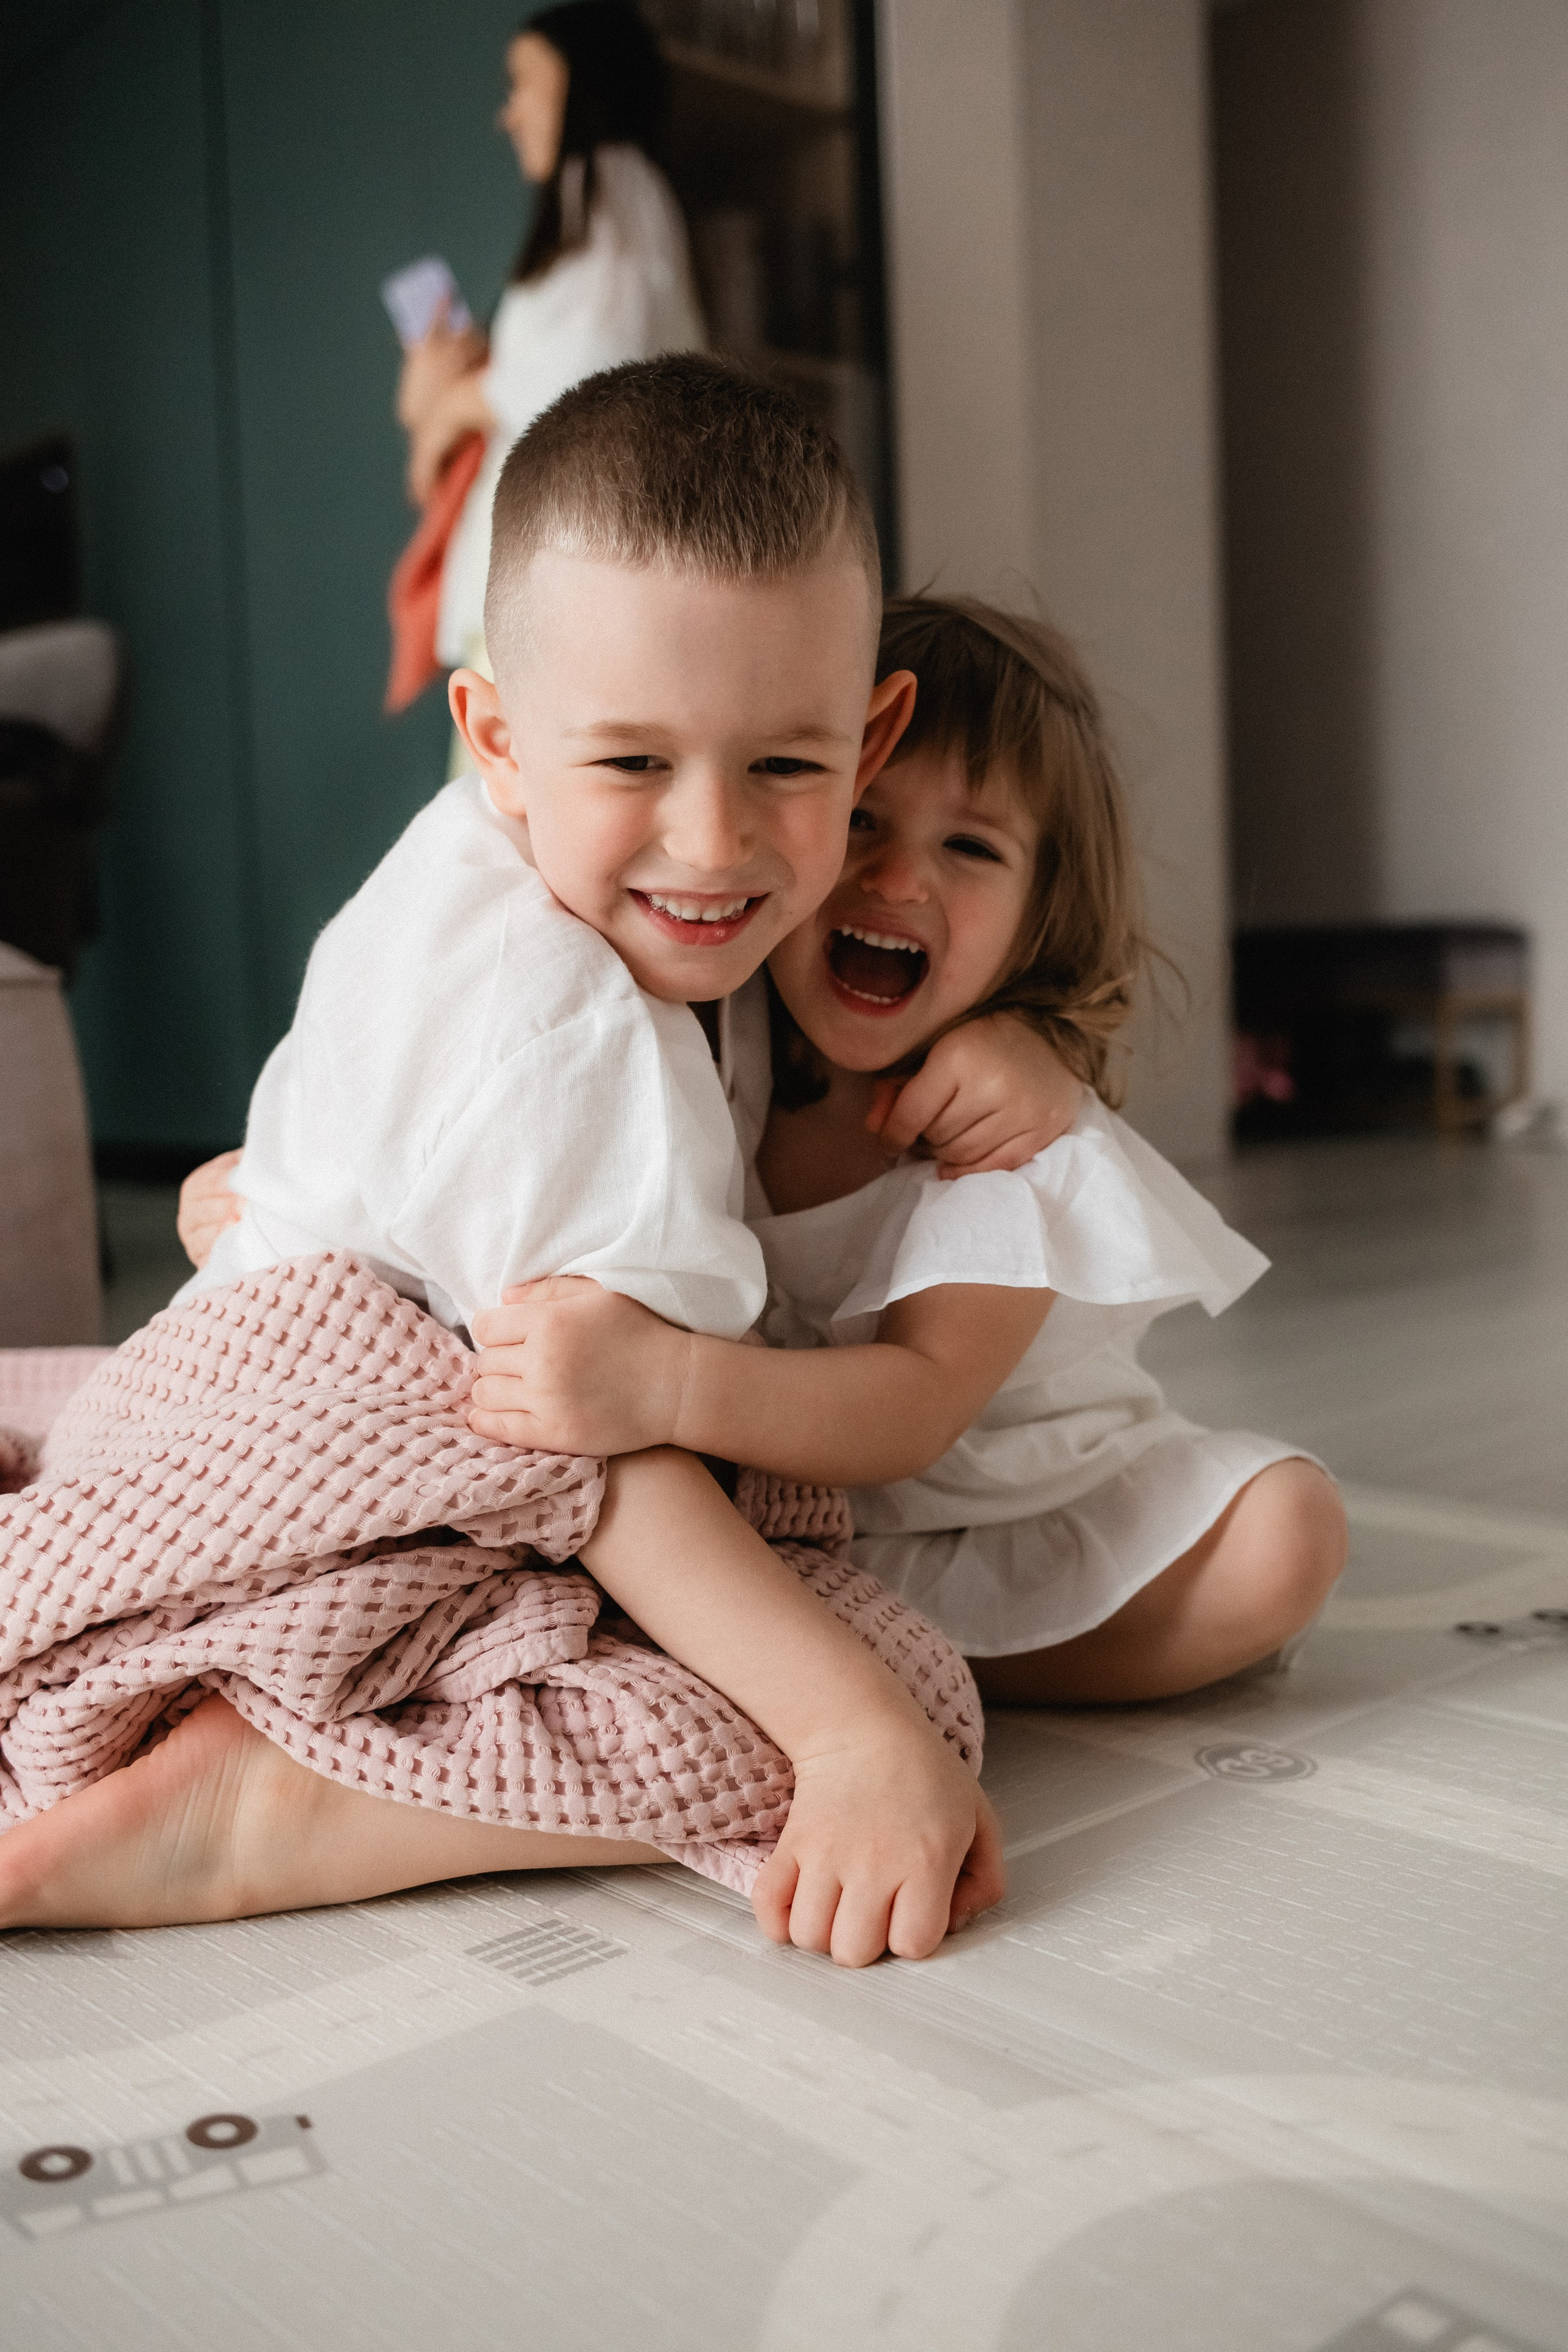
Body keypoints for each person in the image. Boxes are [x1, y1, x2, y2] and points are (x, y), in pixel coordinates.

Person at [2, 366, 1106, 1966]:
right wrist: (858, 1735)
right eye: (636, 766)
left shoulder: (502, 874)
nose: (715, 843)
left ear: (866, 744)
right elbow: (602, 1464)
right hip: (315, 1497)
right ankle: (262, 1811)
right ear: (498, 738)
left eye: (786, 770)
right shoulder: (572, 1039)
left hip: (287, 1409)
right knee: (883, 1689)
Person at [462, 595, 1350, 1700]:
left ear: (1039, 918)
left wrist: (668, 1385)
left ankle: (936, 1670)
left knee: (1285, 1532)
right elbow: (488, 1111)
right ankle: (841, 1650)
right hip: (812, 1529)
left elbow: (917, 1406)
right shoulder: (711, 1035)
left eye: (970, 846)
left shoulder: (1015, 1142)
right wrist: (280, 1190)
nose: (897, 878)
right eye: (865, 820)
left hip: (1022, 1501)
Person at [398, 0, 706, 712]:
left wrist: (457, 406)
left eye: (523, 84)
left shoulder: (609, 193)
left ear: (580, 83)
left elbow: (589, 376)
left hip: (564, 601)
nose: (508, 114)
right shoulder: (620, 204)